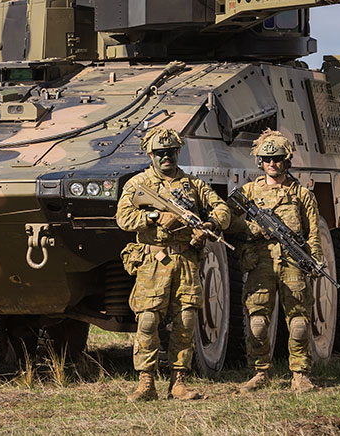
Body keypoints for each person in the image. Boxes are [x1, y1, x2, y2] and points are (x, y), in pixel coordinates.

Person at [116, 127, 230, 401]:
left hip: (186, 261)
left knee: (186, 321)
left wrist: (209, 225)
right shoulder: (139, 184)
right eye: (160, 153)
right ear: (150, 155)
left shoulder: (193, 184)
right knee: (147, 321)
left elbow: (222, 210)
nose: (165, 157)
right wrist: (154, 216)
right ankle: (146, 383)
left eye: (170, 152)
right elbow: (123, 218)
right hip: (153, 262)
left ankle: (178, 382)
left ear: (178, 152)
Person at [236, 129, 323, 393]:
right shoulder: (249, 192)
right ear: (259, 161)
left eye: (277, 159)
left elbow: (313, 233)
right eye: (266, 159)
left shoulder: (302, 195)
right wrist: (252, 229)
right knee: (258, 322)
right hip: (260, 263)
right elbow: (226, 219)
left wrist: (315, 260)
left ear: (286, 160)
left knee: (298, 322)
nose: (272, 164)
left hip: (292, 265)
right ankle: (260, 372)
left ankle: (300, 374)